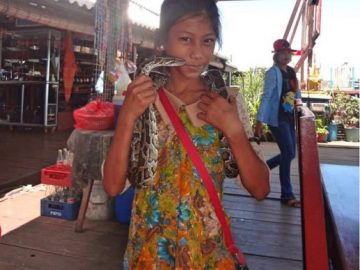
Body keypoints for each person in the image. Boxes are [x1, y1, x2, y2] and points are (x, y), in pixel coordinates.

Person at [103, 0, 270, 268]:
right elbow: (112, 186)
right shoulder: (143, 98)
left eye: (207, 41)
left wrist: (233, 129)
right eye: (185, 39)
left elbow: (260, 189)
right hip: (149, 256)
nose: (197, 53)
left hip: (207, 255)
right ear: (162, 41)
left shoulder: (225, 102)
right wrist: (126, 118)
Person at [255, 39, 302, 208]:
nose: (286, 56)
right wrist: (259, 121)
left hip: (289, 117)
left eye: (288, 53)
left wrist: (301, 106)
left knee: (290, 154)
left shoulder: (291, 71)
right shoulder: (272, 73)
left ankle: (262, 169)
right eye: (283, 53)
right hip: (277, 119)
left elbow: (297, 91)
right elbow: (266, 97)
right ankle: (286, 195)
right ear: (276, 55)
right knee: (288, 152)